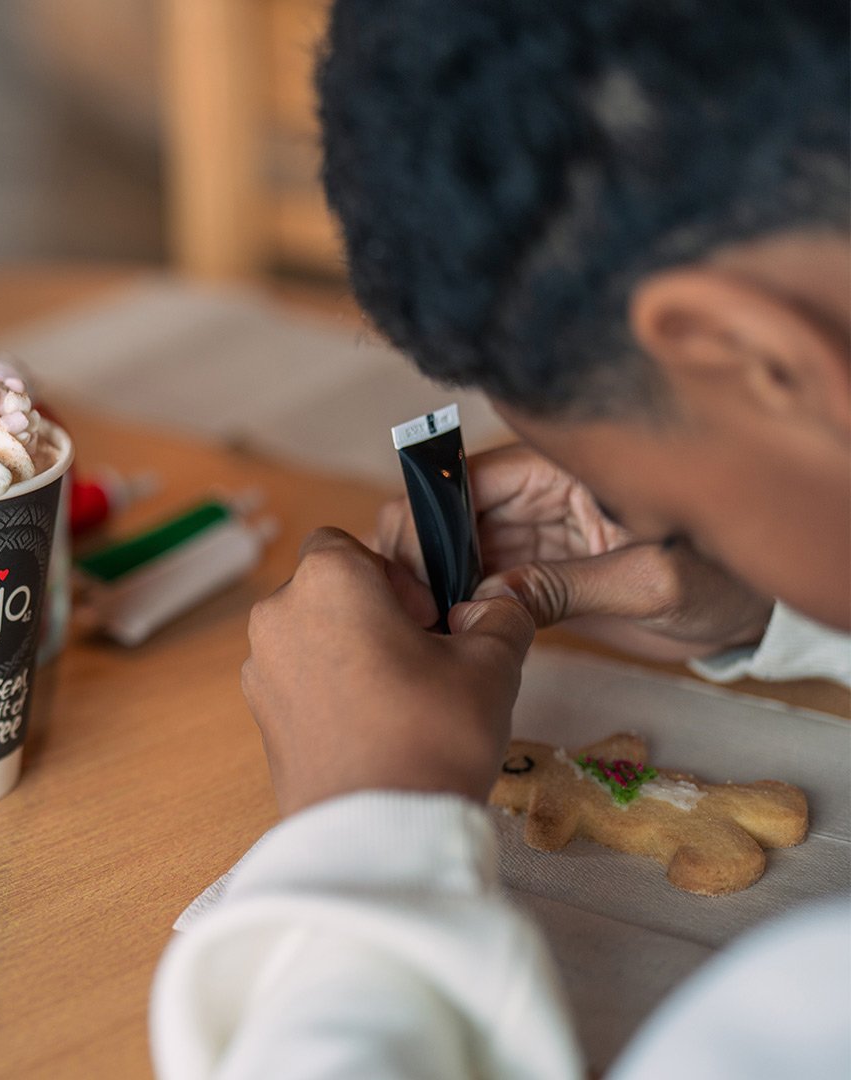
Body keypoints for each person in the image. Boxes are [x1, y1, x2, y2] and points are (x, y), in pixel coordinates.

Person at [152, 0, 850, 1076]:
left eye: (663, 508)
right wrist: (773, 594)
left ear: (759, 358)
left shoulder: (799, 1009)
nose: (653, 540)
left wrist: (366, 842)